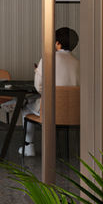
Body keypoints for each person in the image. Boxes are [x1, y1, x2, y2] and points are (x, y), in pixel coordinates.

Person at [16, 26, 80, 156]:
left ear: (57, 43)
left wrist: (38, 72)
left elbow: (38, 86)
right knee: (33, 101)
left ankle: (29, 146)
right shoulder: (79, 63)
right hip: (74, 111)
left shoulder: (47, 60)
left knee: (25, 107)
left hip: (51, 110)